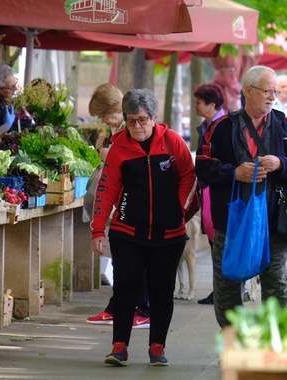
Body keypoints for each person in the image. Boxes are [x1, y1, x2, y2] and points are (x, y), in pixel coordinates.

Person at [195, 65, 287, 328]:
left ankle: (273, 344)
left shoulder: (285, 125)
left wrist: (280, 164)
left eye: (276, 91)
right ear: (249, 90)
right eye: (268, 91)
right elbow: (202, 166)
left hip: (274, 220)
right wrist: (234, 173)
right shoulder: (222, 127)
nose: (274, 96)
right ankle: (233, 342)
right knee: (227, 284)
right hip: (232, 220)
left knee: (275, 282)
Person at [91, 89, 197, 366]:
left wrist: (179, 211)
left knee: (162, 291)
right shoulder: (118, 148)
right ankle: (119, 348)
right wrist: (98, 229)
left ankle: (157, 348)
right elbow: (106, 190)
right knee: (125, 288)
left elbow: (189, 176)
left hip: (169, 235)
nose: (136, 127)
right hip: (127, 232)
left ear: (153, 118)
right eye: (130, 121)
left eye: (141, 120)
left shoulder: (173, 142)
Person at [86, 83, 151, 329]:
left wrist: (107, 155)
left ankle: (142, 308)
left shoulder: (133, 129)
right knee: (125, 260)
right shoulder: (120, 130)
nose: (103, 120)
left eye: (104, 114)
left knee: (134, 260)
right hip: (125, 203)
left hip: (135, 204)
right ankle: (120, 306)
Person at [192, 82, 226, 306]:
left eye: (199, 102)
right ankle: (220, 291)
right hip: (207, 189)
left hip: (220, 190)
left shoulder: (225, 125)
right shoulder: (205, 126)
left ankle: (224, 292)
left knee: (221, 242)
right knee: (215, 243)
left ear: (212, 104)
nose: (196, 105)